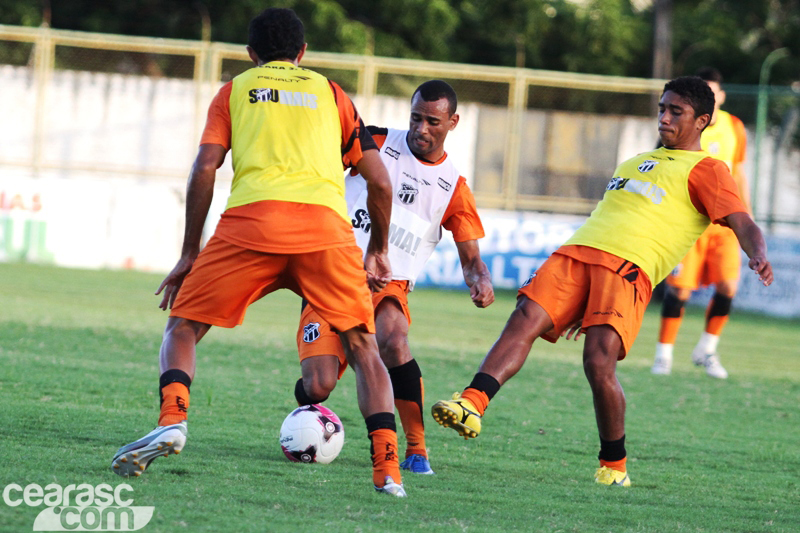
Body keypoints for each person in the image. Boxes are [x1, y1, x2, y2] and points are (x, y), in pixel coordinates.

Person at [111, 8, 408, 497]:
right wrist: (376, 249)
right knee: (363, 348)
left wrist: (189, 252)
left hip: (252, 225)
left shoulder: (234, 91)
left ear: (250, 54)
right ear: (303, 52)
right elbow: (380, 181)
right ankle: (388, 470)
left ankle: (172, 420)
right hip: (325, 232)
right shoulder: (332, 93)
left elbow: (204, 167)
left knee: (182, 327)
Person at [431, 76, 773, 487]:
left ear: (702, 120)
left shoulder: (708, 169)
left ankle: (614, 466)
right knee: (524, 317)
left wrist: (757, 253)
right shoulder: (635, 161)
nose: (664, 117)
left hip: (628, 268)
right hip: (578, 252)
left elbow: (742, 221)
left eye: (675, 111)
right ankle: (472, 403)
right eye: (662, 109)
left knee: (598, 362)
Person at [294, 80, 494, 476]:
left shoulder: (453, 187)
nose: (421, 129)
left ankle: (417, 450)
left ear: (452, 122)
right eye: (416, 118)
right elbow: (319, 164)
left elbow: (472, 257)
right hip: (333, 275)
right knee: (317, 387)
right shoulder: (377, 142)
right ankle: (305, 416)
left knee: (394, 339)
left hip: (390, 284)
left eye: (432, 122)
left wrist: (480, 279)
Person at [651, 67, 750, 379]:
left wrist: (745, 214)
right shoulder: (685, 125)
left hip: (724, 224)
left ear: (721, 96)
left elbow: (739, 172)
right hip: (690, 223)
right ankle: (663, 355)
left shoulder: (735, 126)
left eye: (712, 91)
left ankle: (706, 350)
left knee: (728, 286)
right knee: (679, 292)